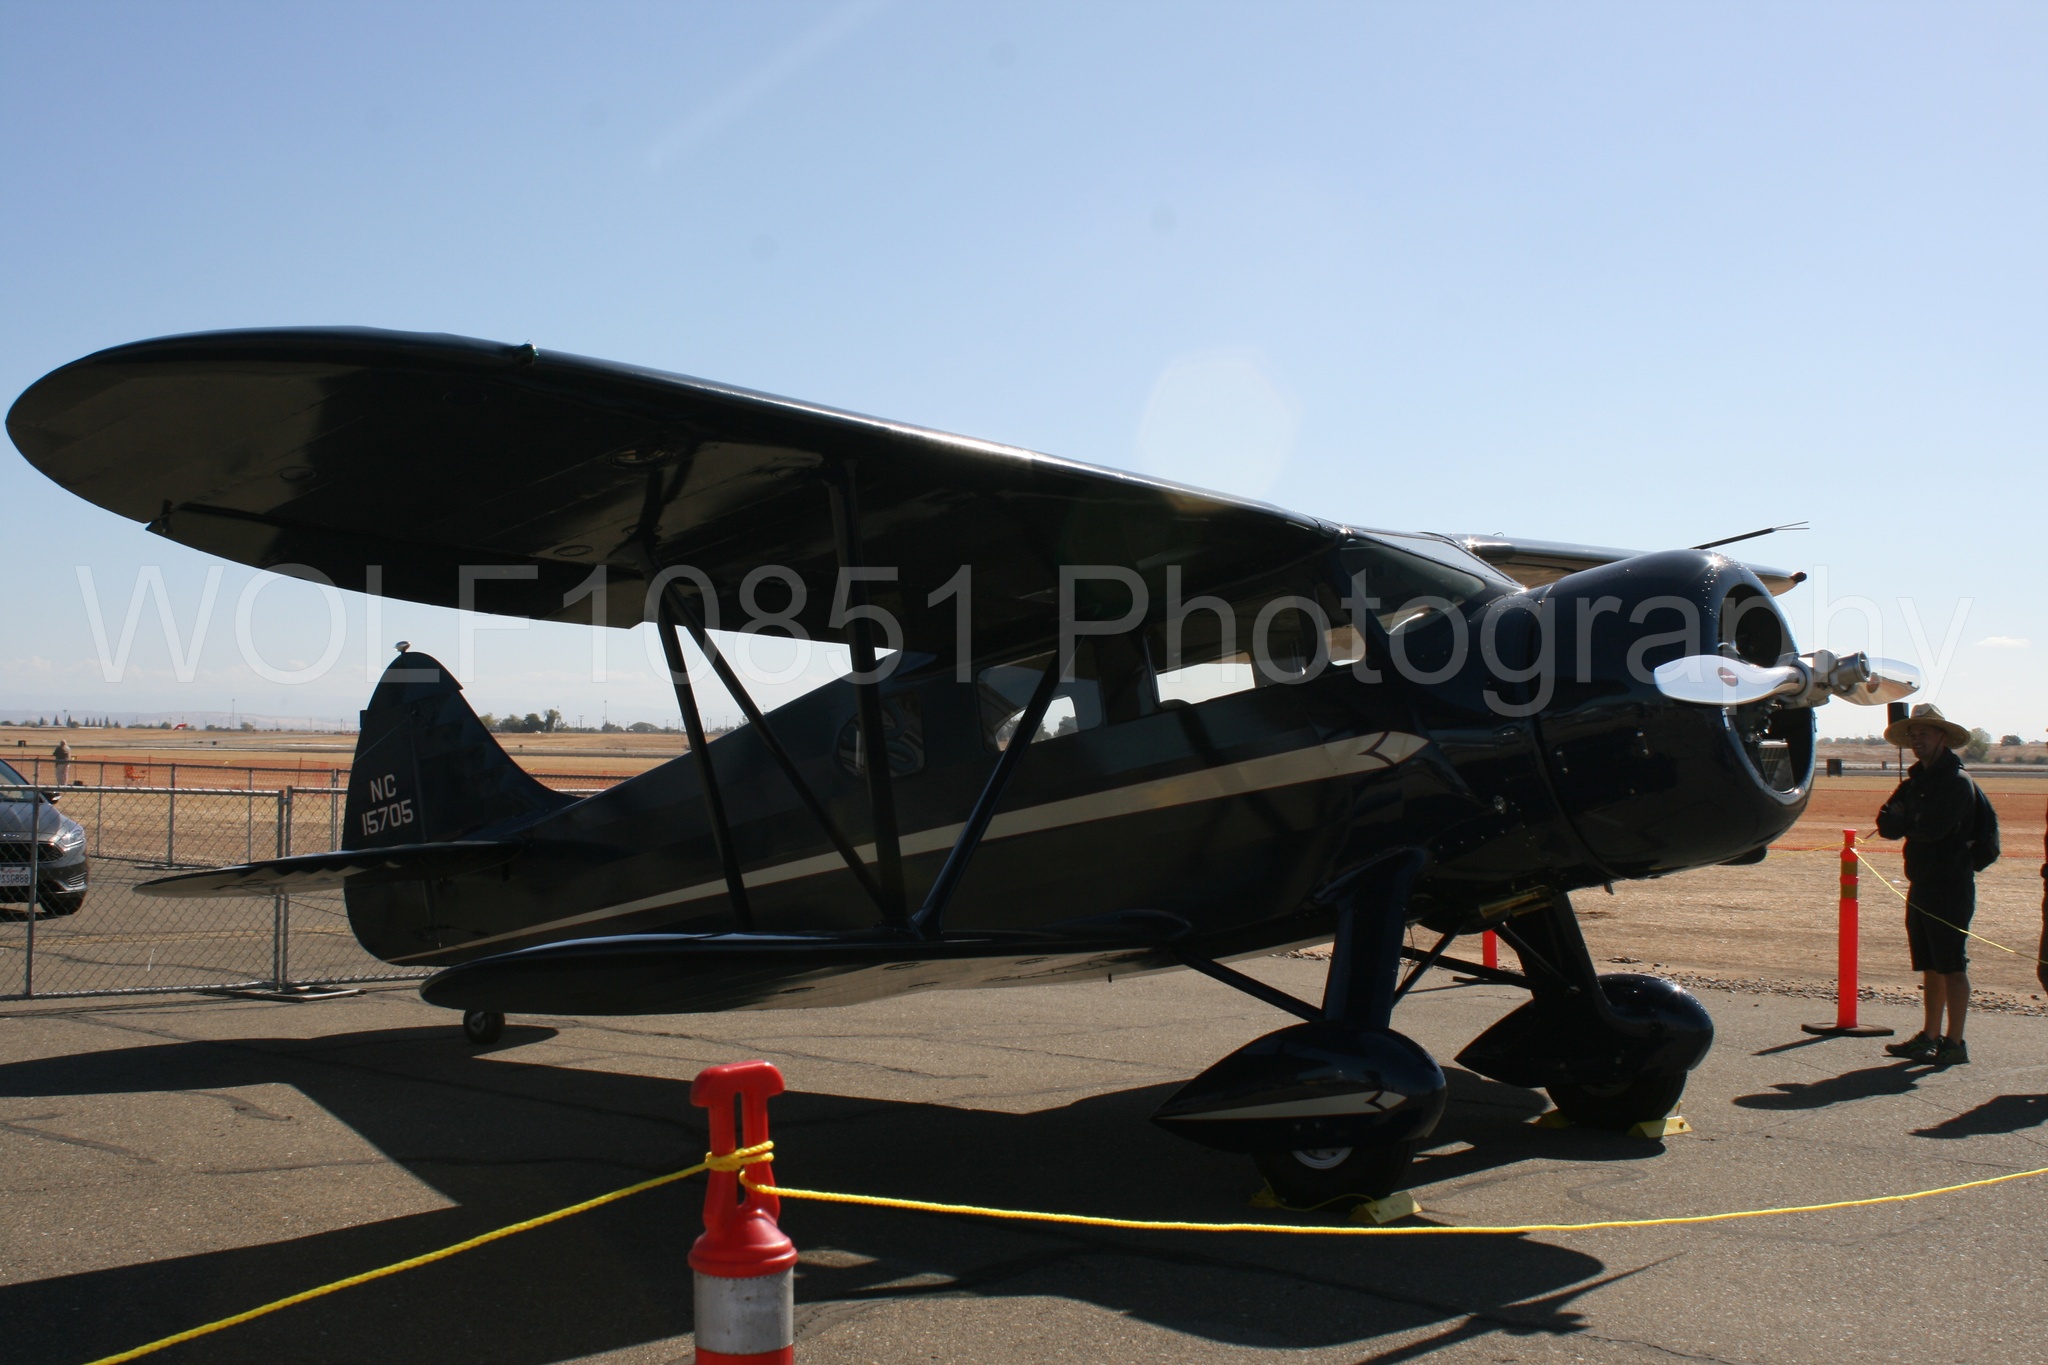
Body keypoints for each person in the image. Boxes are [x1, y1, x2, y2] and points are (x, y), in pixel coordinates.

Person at [1877, 704, 1987, 1065]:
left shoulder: (1956, 782)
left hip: (1950, 886)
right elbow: (1885, 824)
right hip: (1921, 884)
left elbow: (1931, 829)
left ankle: (1955, 1043)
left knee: (1952, 965)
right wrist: (1907, 821)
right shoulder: (1915, 783)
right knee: (1930, 964)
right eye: (1913, 733)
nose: (1917, 739)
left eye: (1924, 732)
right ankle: (1929, 1036)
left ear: (1943, 736)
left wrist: (1906, 820)